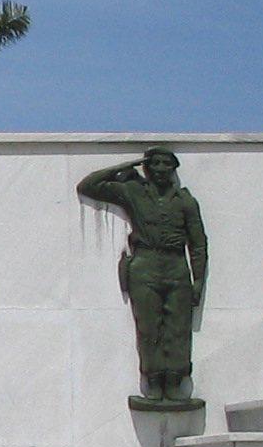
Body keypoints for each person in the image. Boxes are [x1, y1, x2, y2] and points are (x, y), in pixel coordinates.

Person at [78, 148, 208, 407]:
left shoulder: (185, 201)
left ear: (174, 168)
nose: (160, 168)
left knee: (178, 329)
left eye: (166, 164)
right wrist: (127, 164)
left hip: (176, 265)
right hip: (145, 265)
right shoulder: (133, 192)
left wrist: (198, 281)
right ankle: (153, 382)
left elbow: (199, 245)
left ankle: (175, 384)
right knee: (148, 328)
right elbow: (88, 185)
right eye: (155, 163)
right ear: (147, 167)